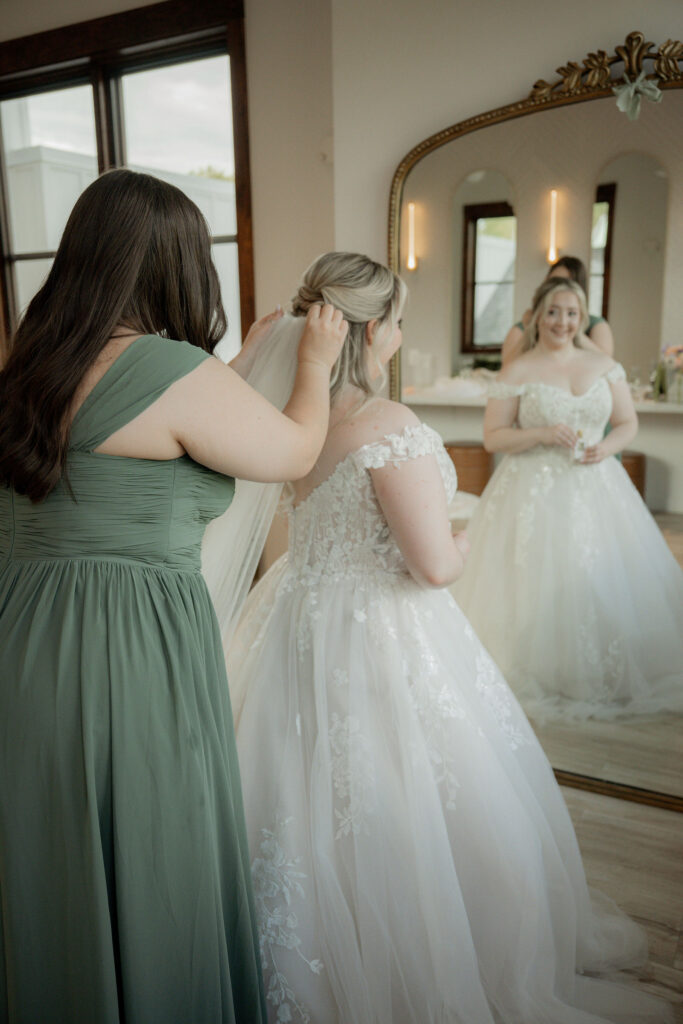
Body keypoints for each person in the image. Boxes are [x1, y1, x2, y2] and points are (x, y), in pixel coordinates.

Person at [225, 252, 671, 1023]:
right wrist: (463, 544)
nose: (399, 336)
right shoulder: (383, 424)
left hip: (299, 619)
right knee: (400, 796)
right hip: (377, 632)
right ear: (367, 334)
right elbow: (430, 565)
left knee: (300, 795)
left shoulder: (295, 423)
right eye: (395, 322)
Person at [0, 168, 347, 1024]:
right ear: (176, 268)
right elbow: (297, 451)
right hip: (127, 651)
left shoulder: (30, 362)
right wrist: (311, 363)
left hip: (25, 639)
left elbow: (128, 428)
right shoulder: (168, 367)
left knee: (53, 855)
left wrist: (232, 371)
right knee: (155, 847)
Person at [455, 277, 683, 722]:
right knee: (532, 580)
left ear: (583, 318)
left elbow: (627, 423)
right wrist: (540, 432)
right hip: (529, 488)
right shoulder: (517, 370)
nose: (562, 321)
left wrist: (607, 446)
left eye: (572, 313)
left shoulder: (603, 364)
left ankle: (604, 670)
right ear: (538, 314)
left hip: (597, 483)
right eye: (554, 311)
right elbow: (492, 438)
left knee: (600, 577)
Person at [502, 255, 614, 367]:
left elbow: (609, 367)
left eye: (567, 283)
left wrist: (574, 332)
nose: (559, 289)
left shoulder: (596, 325)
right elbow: (507, 367)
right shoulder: (521, 328)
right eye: (553, 282)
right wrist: (529, 327)